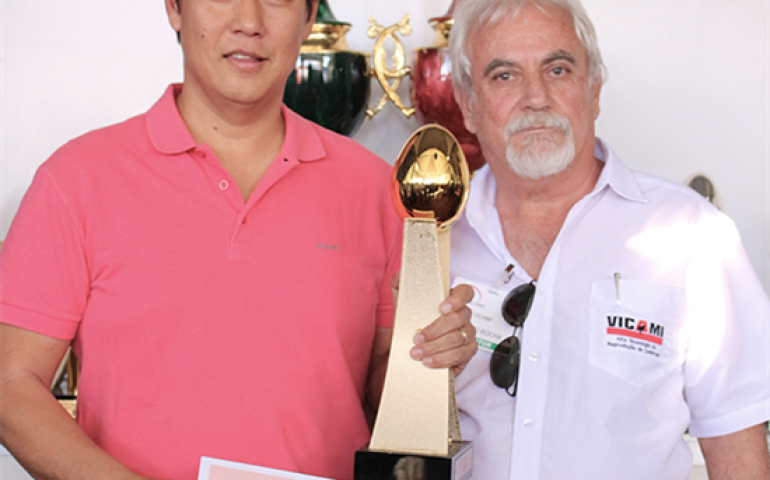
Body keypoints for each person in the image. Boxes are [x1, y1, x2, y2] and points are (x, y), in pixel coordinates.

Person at [0, 1, 477, 479]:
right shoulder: (78, 181)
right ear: (175, 8)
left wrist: (428, 356)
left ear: (310, 18)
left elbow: (381, 385)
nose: (249, 22)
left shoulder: (377, 190)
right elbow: (11, 384)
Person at [446, 0, 770, 479]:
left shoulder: (692, 235)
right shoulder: (432, 236)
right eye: (505, 75)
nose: (536, 97)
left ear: (594, 88)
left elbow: (736, 446)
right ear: (468, 104)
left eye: (558, 70)